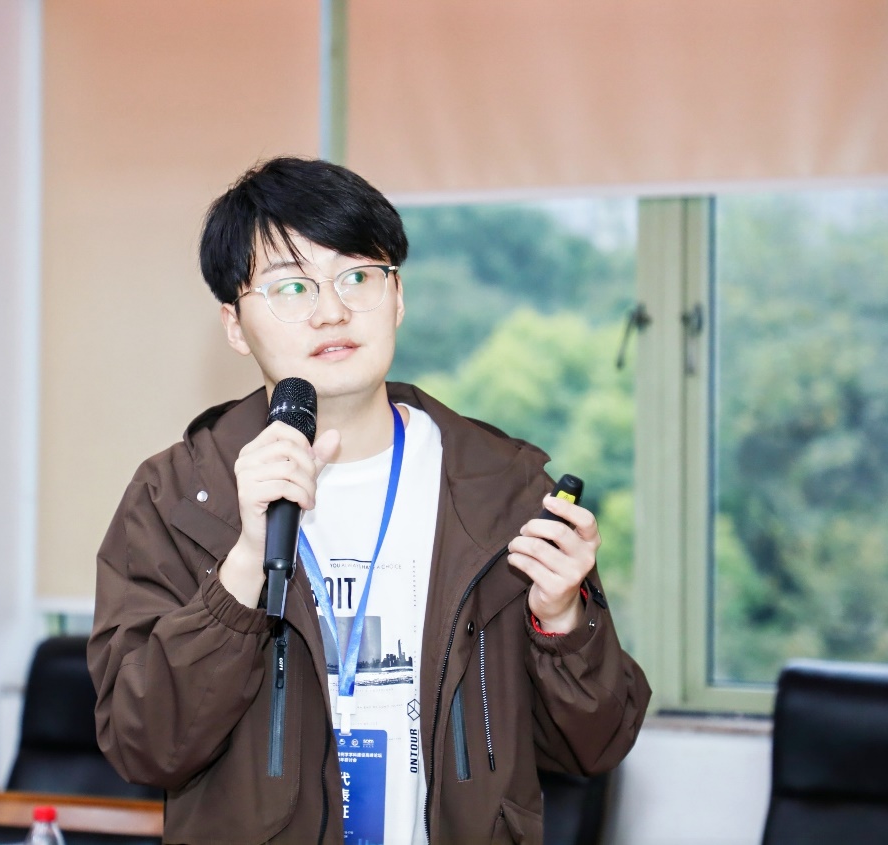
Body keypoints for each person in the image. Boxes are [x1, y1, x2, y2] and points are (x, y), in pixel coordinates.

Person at [88, 156, 650, 844]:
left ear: (398, 297)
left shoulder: (501, 490)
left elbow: (594, 745)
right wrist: (241, 568)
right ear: (234, 324)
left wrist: (562, 623)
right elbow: (144, 746)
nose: (332, 311)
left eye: (358, 277)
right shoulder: (177, 498)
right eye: (291, 287)